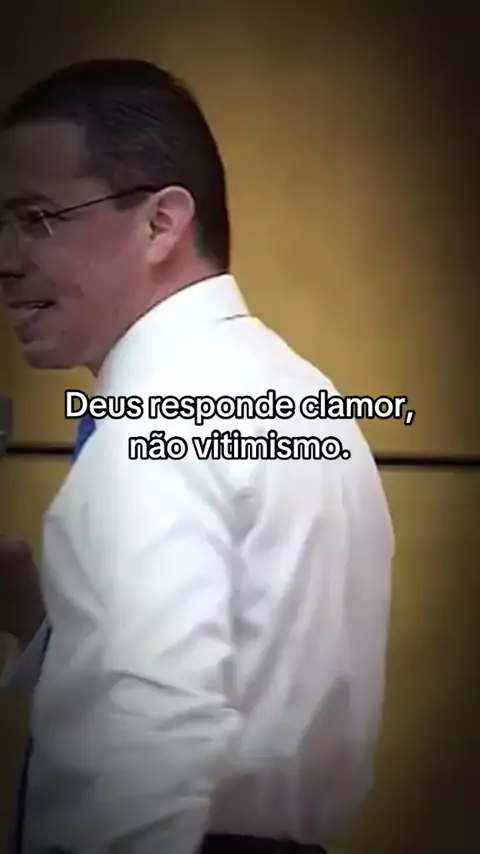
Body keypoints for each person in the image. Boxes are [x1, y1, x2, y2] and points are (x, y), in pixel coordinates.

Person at [0, 59, 394, 854]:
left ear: (161, 224)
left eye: (37, 218)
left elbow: (151, 749)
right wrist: (45, 624)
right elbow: (244, 688)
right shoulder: (302, 392)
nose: (7, 258)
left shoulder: (156, 420)